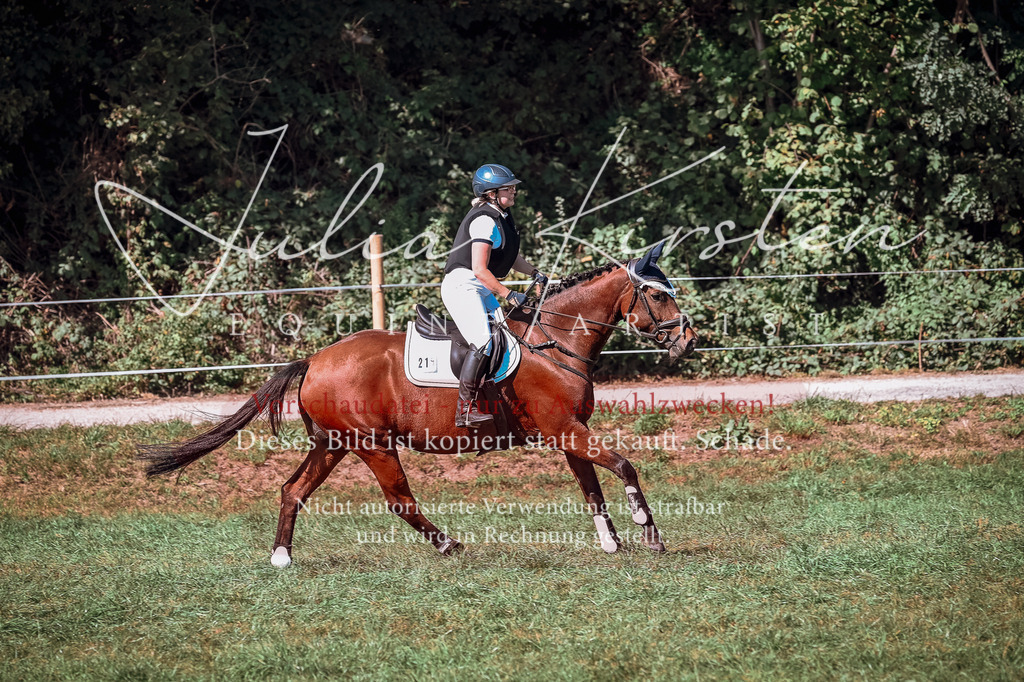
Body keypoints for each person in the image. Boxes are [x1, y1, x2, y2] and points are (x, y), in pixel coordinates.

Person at [441, 163, 547, 428]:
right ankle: (465, 409)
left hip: (479, 285)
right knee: (483, 341)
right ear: (490, 193)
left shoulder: (501, 216)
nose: (514, 192)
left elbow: (510, 257)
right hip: (463, 285)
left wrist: (535, 272)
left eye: (513, 187)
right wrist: (508, 294)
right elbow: (479, 269)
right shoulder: (484, 220)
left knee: (510, 335)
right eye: (508, 188)